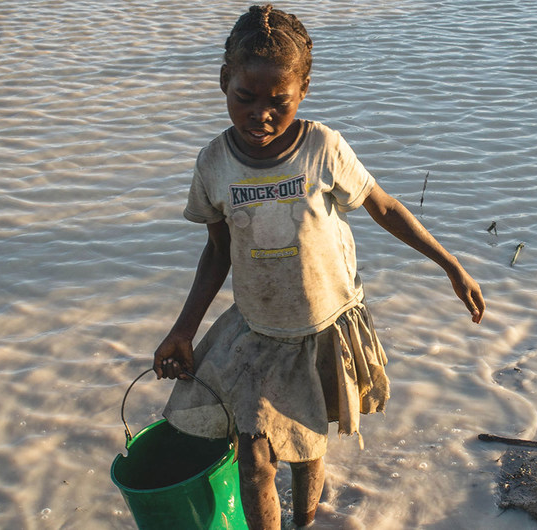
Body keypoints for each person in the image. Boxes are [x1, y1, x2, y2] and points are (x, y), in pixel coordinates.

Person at [151, 4, 485, 528]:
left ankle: (307, 520)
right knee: (256, 458)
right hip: (258, 330)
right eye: (245, 97)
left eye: (278, 102)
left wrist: (450, 265)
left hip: (324, 324)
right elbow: (218, 251)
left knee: (307, 446)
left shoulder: (322, 149)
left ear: (303, 90)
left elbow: (384, 207)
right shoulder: (214, 164)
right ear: (224, 81)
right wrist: (183, 329)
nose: (260, 113)